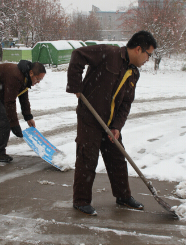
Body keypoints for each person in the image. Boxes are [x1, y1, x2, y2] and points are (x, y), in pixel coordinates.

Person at [66, 31, 157, 215]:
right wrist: (75, 85)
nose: (149, 59)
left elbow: (126, 103)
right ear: (139, 49)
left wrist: (117, 126)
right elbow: (78, 55)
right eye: (149, 54)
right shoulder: (109, 53)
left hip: (109, 123)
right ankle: (81, 201)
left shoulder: (134, 73)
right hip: (90, 117)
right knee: (87, 159)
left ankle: (123, 196)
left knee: (117, 159)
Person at [0, 60, 46, 162]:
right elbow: (10, 102)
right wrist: (15, 125)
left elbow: (23, 98)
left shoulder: (25, 77)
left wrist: (28, 117)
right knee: (4, 122)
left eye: (40, 80)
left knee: (3, 120)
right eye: (38, 79)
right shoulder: (16, 76)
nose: (38, 82)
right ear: (31, 73)